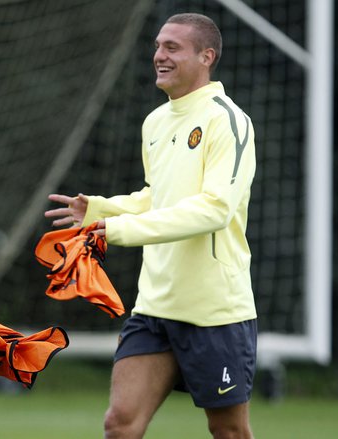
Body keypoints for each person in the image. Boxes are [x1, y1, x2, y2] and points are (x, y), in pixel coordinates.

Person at [45, 13, 257, 439]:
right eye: (159, 46)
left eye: (172, 47)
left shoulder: (228, 121)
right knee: (120, 424)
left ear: (206, 56)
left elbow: (214, 209)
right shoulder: (155, 123)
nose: (159, 55)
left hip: (213, 311)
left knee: (228, 430)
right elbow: (156, 197)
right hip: (155, 307)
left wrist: (121, 232)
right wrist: (102, 210)